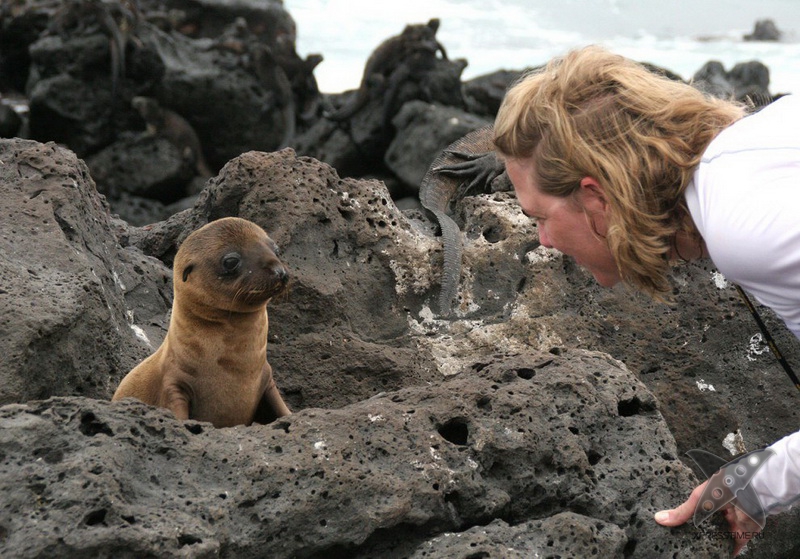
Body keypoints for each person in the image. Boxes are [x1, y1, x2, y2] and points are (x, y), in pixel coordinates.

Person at [491, 45, 800, 555]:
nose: (542, 240)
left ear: (595, 197)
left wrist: (759, 484)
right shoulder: (748, 157)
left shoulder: (746, 226)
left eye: (538, 216)